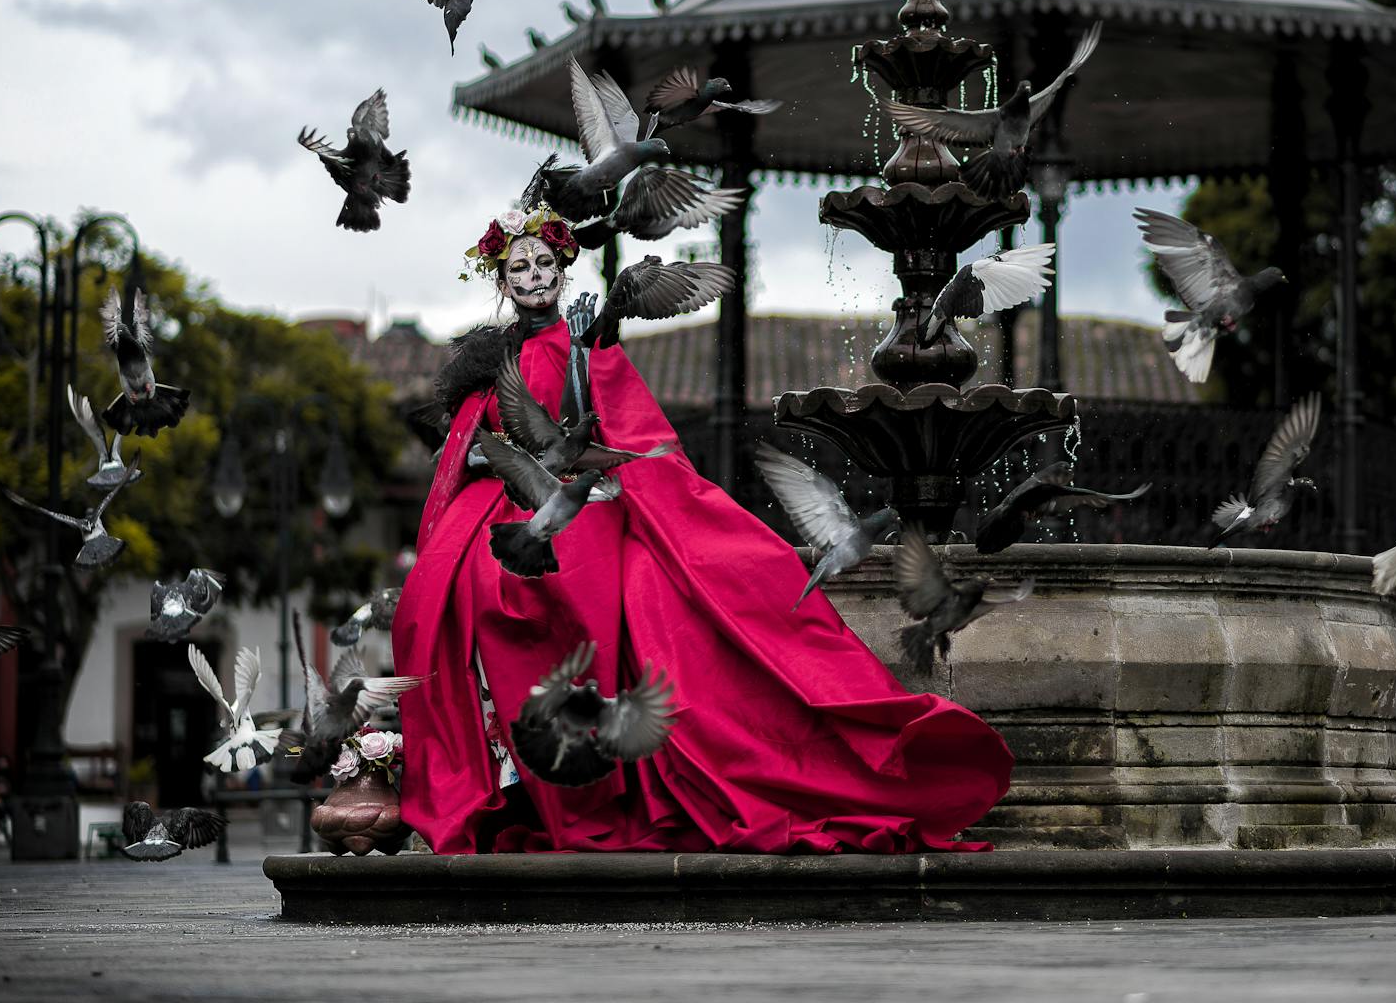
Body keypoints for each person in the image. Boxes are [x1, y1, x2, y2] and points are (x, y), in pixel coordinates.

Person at [393, 207, 1013, 854]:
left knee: (642, 602)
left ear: (562, 267)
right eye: (519, 267)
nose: (533, 276)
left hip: (588, 511)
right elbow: (464, 446)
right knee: (470, 594)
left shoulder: (586, 345)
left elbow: (610, 428)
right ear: (503, 279)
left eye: (543, 264)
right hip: (523, 518)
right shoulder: (489, 359)